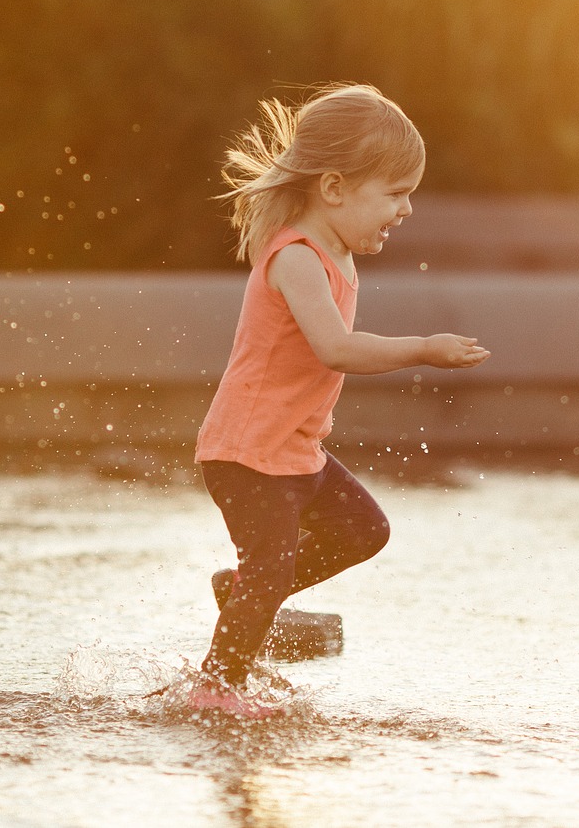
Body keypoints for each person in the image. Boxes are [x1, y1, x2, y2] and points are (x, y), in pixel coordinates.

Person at [189, 83, 491, 718]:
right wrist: (423, 348)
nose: (406, 209)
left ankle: (244, 592)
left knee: (363, 530)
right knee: (271, 568)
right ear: (333, 188)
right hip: (248, 452)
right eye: (395, 193)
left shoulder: (338, 254)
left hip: (294, 450)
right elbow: (336, 348)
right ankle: (215, 689)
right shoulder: (297, 258)